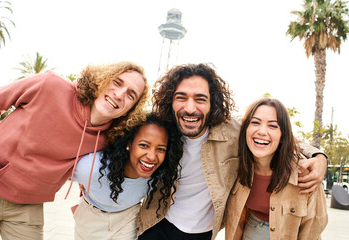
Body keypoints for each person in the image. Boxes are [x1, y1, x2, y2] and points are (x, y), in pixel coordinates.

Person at [137, 63, 328, 240]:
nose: (190, 108)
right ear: (170, 101)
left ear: (213, 103)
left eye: (200, 99)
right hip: (156, 223)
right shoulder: (163, 130)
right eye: (181, 98)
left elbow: (280, 137)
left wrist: (318, 156)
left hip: (201, 234)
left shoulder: (233, 130)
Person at [0, 61, 149, 240]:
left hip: (26, 206)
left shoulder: (110, 139)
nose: (119, 95)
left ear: (131, 109)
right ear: (103, 78)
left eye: (131, 95)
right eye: (117, 82)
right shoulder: (49, 85)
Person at [224, 98, 328, 240]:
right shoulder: (238, 164)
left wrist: (320, 156)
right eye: (255, 122)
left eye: (272, 126)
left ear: (282, 135)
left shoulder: (305, 172)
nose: (262, 131)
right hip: (252, 230)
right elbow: (237, 222)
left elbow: (313, 227)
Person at [72, 112, 183, 240]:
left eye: (161, 149)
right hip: (91, 218)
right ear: (128, 143)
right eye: (144, 145)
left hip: (128, 218)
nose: (152, 157)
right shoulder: (93, 168)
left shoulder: (159, 173)